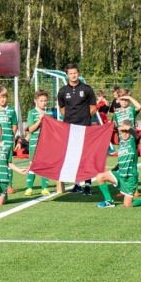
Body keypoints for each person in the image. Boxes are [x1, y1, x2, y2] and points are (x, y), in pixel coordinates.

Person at [56, 62, 98, 194]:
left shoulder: (87, 89)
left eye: (75, 73)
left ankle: (88, 185)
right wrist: (71, 119)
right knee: (73, 157)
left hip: (84, 128)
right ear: (67, 75)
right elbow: (62, 110)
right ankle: (77, 184)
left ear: (78, 73)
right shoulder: (63, 91)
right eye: (70, 73)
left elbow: (93, 107)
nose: (73, 75)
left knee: (86, 156)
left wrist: (84, 118)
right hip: (69, 129)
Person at [94, 121, 141, 208]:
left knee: (127, 205)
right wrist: (113, 170)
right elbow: (122, 161)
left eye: (126, 132)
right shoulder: (121, 143)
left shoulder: (132, 141)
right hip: (120, 174)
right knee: (100, 176)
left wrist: (128, 128)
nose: (124, 134)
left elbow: (137, 137)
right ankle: (109, 201)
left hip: (129, 178)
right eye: (123, 132)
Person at [23, 89, 57, 196]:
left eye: (45, 101)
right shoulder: (31, 113)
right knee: (33, 165)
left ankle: (44, 188)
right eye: (41, 101)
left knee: (45, 166)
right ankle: (29, 188)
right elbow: (31, 129)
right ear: (35, 101)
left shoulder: (50, 112)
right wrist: (39, 120)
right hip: (34, 144)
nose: (44, 103)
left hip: (46, 145)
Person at [0, 86, 21, 159]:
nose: (2, 100)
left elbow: (14, 125)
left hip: (8, 140)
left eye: (4, 97)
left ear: (7, 97)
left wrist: (11, 136)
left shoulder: (11, 111)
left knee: (8, 160)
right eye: (0, 97)